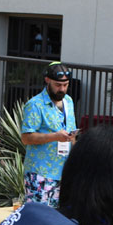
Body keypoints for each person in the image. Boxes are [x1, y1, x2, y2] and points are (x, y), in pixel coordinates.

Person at [20, 62, 76, 207]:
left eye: (65, 85)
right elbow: (26, 138)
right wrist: (55, 136)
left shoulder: (68, 101)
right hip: (40, 173)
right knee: (38, 218)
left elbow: (71, 131)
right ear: (47, 80)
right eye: (58, 85)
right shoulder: (35, 105)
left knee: (58, 218)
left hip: (63, 171)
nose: (62, 89)